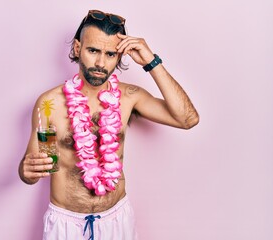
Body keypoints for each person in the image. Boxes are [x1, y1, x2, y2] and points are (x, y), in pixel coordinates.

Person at [19, 9, 199, 240]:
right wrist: (27, 171)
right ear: (77, 48)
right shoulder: (49, 103)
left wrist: (151, 61)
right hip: (66, 225)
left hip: (117, 220)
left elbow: (188, 119)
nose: (100, 63)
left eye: (111, 54)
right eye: (93, 50)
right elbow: (34, 172)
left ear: (119, 57)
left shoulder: (129, 96)